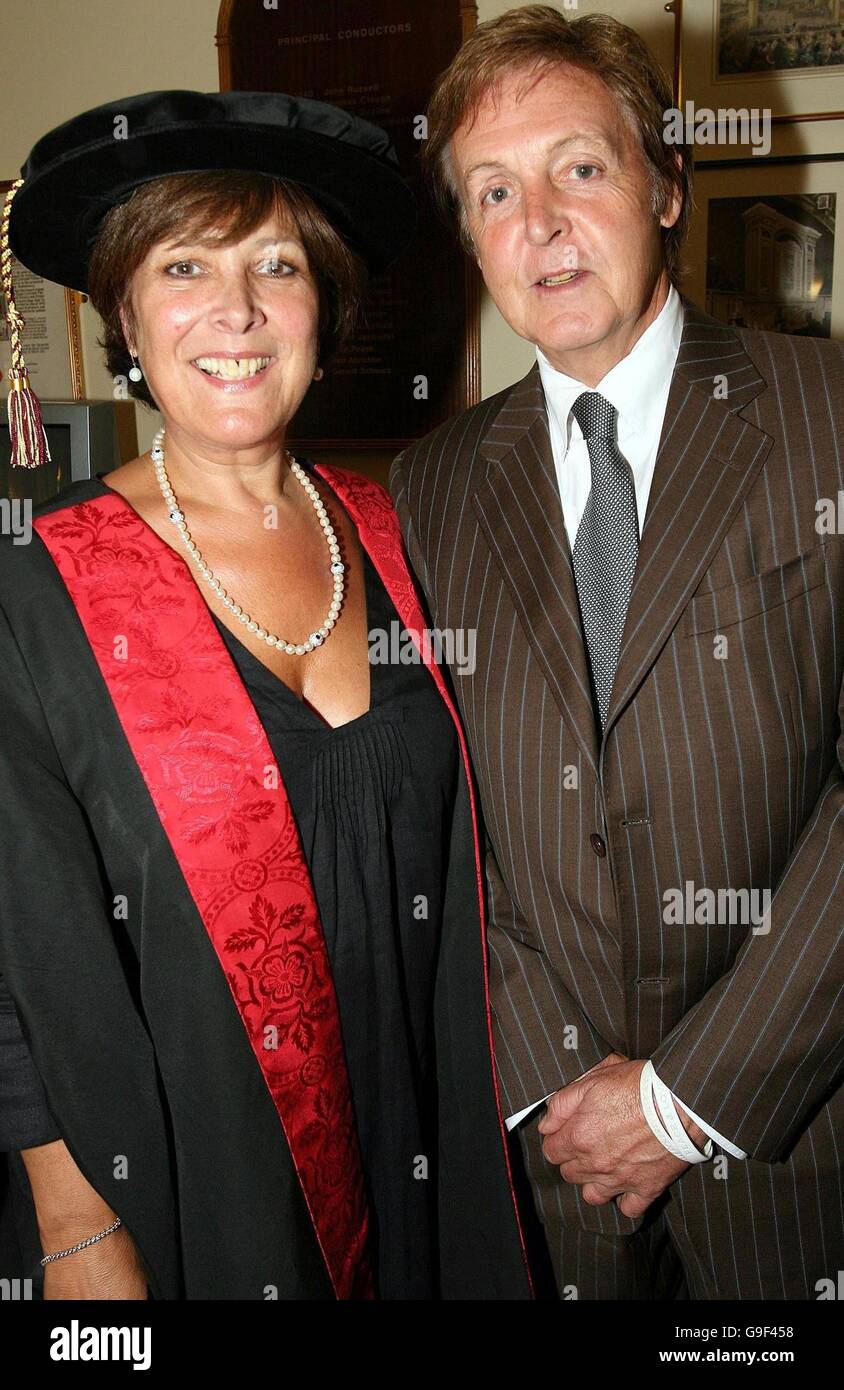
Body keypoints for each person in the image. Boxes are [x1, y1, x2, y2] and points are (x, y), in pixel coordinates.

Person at [0, 89, 533, 1301]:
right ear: (123, 314)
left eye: (276, 265)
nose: (235, 311)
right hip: (187, 1177)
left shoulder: (398, 534)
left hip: (422, 1142)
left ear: (322, 305)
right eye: (184, 265)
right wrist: (81, 1228)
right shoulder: (34, 588)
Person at [390, 7, 844, 1300]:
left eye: (579, 168)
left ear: (667, 186)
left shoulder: (828, 417)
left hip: (797, 1169)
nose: (537, 220)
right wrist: (551, 1079)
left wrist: (686, 1095)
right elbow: (443, 806)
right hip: (548, 1177)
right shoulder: (427, 490)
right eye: (493, 190)